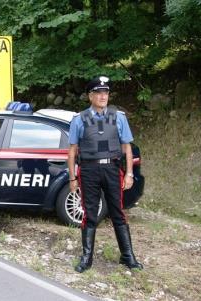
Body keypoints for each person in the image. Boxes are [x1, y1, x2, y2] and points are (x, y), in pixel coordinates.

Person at [67, 76, 143, 273]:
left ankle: (128, 256)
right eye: (99, 93)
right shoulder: (79, 119)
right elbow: (72, 151)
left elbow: (126, 147)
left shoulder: (119, 117)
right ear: (90, 96)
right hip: (89, 170)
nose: (103, 96)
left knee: (117, 212)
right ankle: (86, 259)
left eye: (106, 93)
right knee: (90, 214)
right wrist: (72, 177)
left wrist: (129, 174)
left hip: (112, 169)